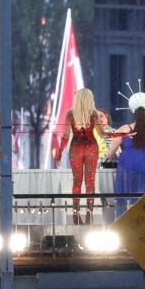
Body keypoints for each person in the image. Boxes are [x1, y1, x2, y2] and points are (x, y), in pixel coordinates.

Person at [64, 88, 101, 224]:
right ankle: (89, 213)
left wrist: (59, 153)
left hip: (76, 148)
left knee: (77, 181)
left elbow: (65, 136)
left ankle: (75, 213)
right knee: (90, 181)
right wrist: (123, 134)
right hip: (91, 147)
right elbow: (103, 134)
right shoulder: (94, 114)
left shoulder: (70, 114)